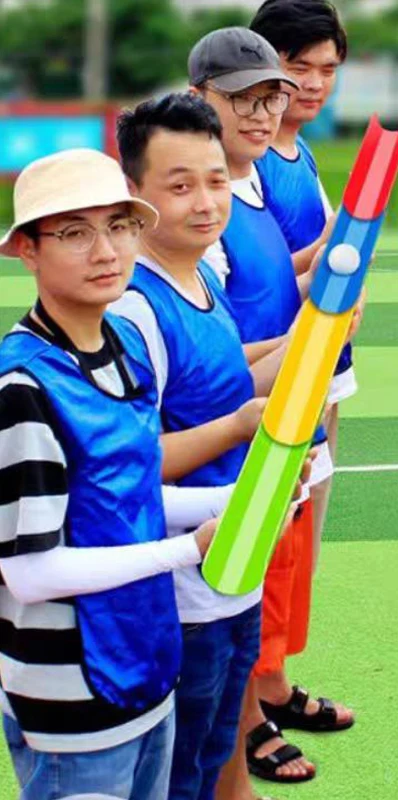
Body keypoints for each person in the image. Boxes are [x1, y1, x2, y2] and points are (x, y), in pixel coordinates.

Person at [0, 148, 216, 800]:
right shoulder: (21, 387)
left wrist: (239, 500)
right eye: (74, 232)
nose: (106, 251)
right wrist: (189, 549)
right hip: (71, 697)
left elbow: (125, 496)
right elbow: (29, 571)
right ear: (28, 250)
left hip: (147, 662)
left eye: (119, 226)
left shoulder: (122, 347)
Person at [185, 27, 353, 791]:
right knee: (232, 591)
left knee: (264, 583)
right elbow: (214, 353)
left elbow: (261, 292)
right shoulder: (204, 209)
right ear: (200, 100)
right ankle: (249, 724)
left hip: (279, 408)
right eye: (242, 100)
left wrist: (322, 287)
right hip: (237, 425)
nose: (262, 113)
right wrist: (311, 333)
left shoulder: (249, 183)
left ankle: (261, 705)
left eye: (270, 98)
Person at [114, 92, 294, 800]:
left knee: (217, 747)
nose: (206, 201)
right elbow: (131, 465)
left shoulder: (199, 275)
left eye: (216, 180)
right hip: (180, 590)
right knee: (180, 770)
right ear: (134, 193)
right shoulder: (134, 308)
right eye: (180, 185)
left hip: (231, 569)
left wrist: (305, 345)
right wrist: (240, 427)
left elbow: (220, 378)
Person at [250, 0, 357, 572]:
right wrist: (324, 259)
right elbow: (250, 279)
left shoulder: (301, 150)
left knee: (306, 536)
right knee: (275, 544)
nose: (314, 84)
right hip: (276, 364)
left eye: (328, 69)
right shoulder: (248, 160)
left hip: (325, 356)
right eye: (299, 67)